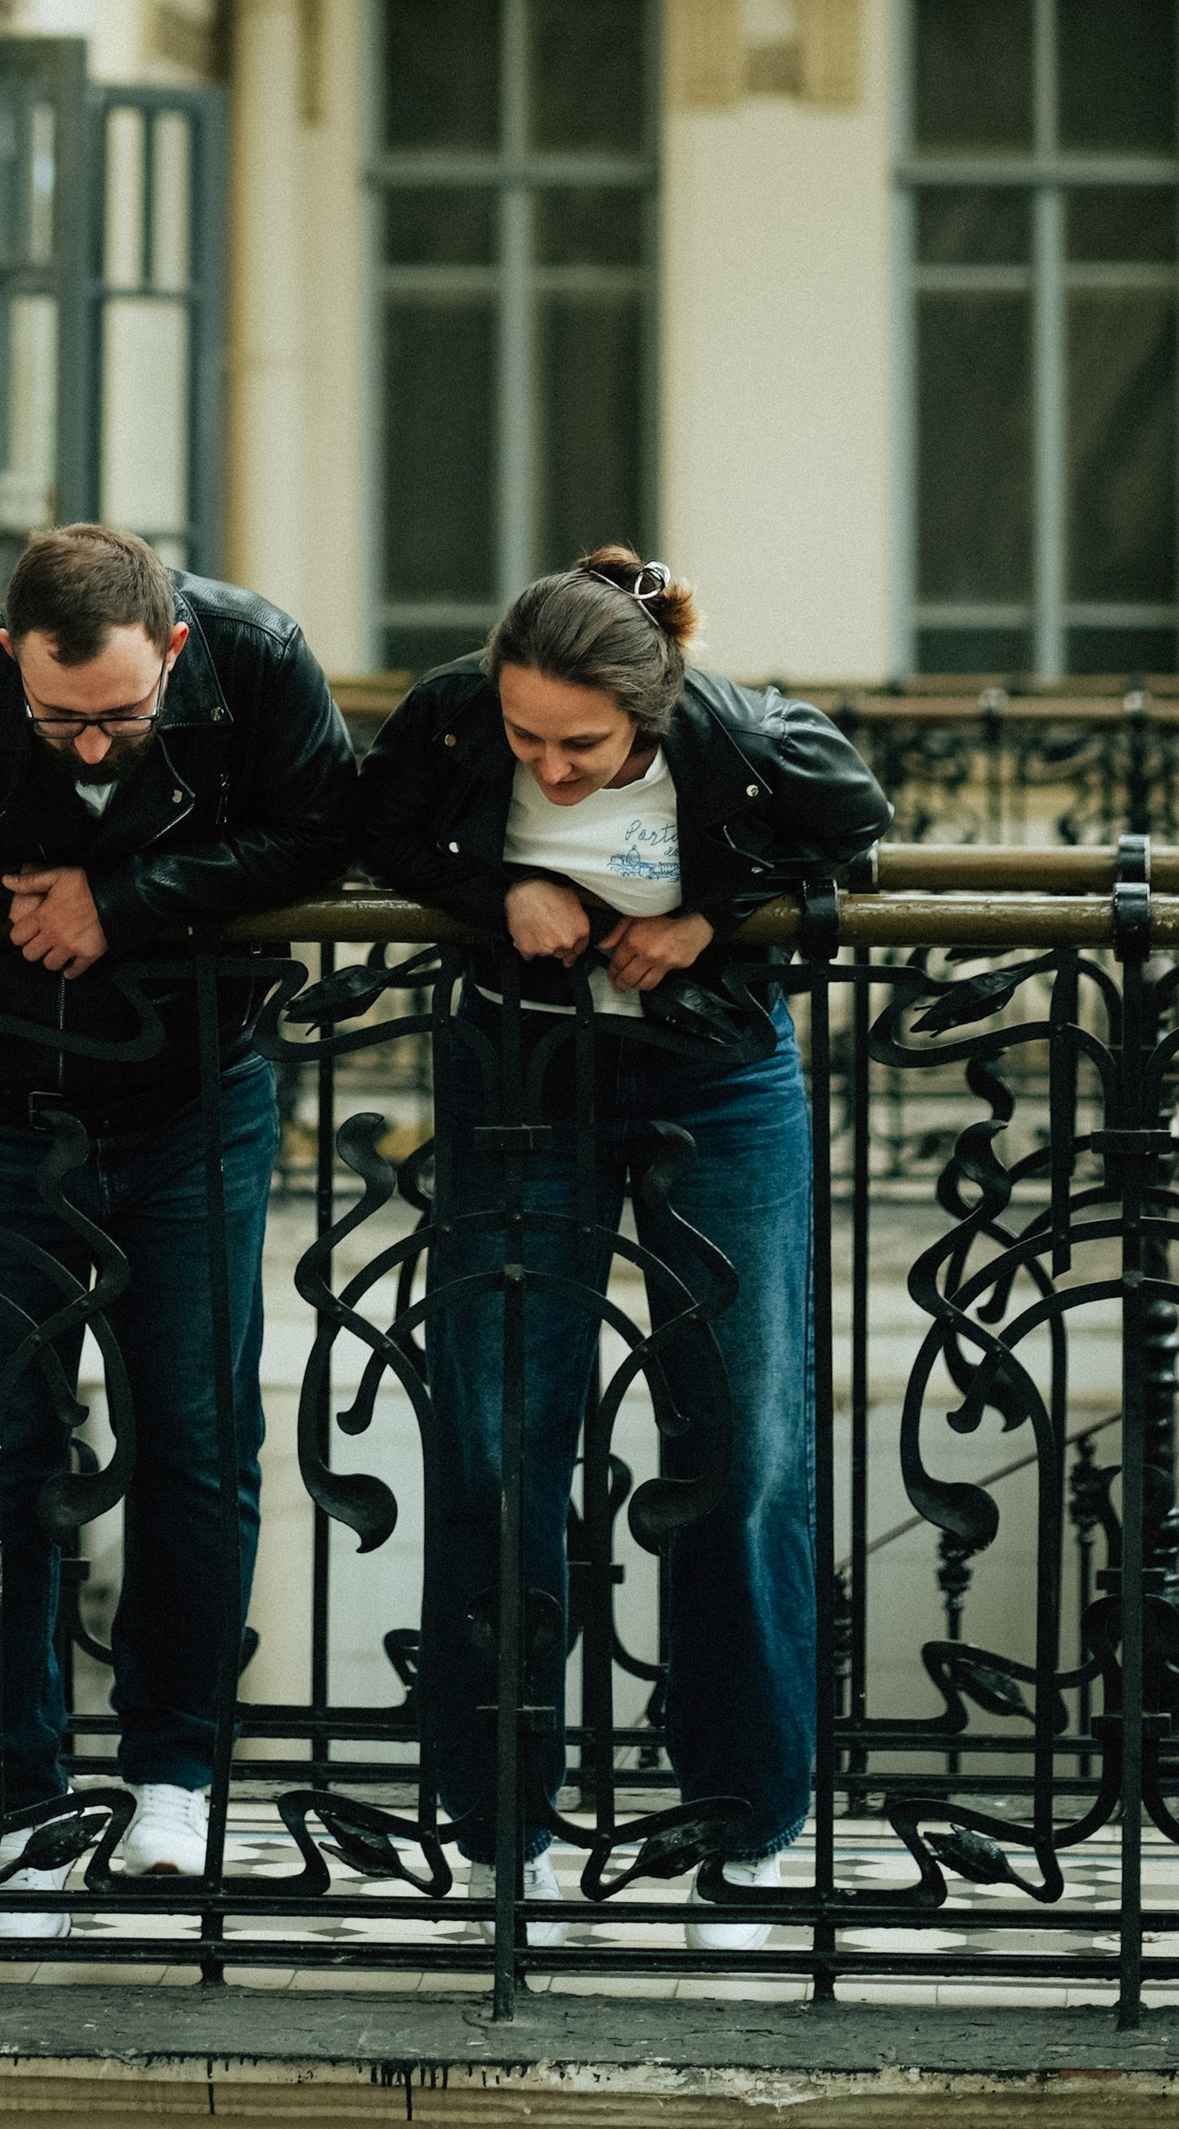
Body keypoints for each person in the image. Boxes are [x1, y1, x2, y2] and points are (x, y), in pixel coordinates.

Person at [0, 524, 357, 1932]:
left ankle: (175, 1776)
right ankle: (20, 1802)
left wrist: (128, 901)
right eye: (57, 717)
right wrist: (0, 894)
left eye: (122, 717)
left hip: (194, 1099)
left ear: (173, 649)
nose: (92, 749)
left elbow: (332, 830)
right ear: (4, 654)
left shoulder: (261, 655)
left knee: (199, 1438)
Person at [355, 546, 888, 1950]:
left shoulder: (749, 738)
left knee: (745, 1439)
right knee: (494, 1433)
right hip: (520, 1079)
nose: (552, 763)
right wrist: (498, 892)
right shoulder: (455, 716)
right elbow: (382, 833)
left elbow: (857, 833)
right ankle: (499, 1821)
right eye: (529, 737)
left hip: (716, 1080)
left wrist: (710, 919)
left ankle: (744, 1817)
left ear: (649, 707)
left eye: (580, 742)